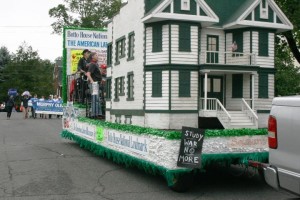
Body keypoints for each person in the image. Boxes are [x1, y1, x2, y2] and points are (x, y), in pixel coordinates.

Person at [86, 52, 102, 117]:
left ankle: (98, 113)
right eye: (96, 55)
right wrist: (92, 82)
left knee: (97, 99)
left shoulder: (95, 64)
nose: (97, 56)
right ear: (92, 57)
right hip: (94, 84)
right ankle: (94, 114)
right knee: (95, 99)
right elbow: (88, 74)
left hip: (96, 83)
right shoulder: (93, 64)